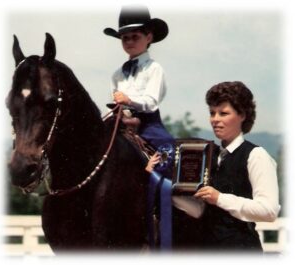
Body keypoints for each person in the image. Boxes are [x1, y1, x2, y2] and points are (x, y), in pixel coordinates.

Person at [193, 81, 281, 251]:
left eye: (223, 113)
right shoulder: (208, 156)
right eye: (212, 113)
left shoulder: (256, 155)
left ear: (242, 115)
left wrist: (220, 199)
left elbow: (269, 211)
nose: (215, 120)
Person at [104, 4, 174, 176]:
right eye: (125, 38)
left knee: (168, 146)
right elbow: (113, 104)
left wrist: (129, 101)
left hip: (148, 124)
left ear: (148, 37)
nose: (129, 42)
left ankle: (164, 193)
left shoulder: (154, 69)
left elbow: (151, 103)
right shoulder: (117, 74)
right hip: (120, 123)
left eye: (135, 37)